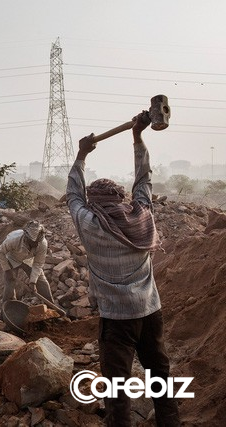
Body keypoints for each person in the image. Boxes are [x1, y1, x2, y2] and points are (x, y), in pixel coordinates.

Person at [66, 111, 180, 426]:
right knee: (161, 376)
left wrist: (81, 155)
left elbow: (74, 195)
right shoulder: (142, 215)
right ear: (121, 198)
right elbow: (144, 180)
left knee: (117, 391)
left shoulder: (90, 223)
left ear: (95, 203)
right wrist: (138, 137)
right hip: (150, 313)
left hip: (116, 321)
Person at [0, 220, 54, 314]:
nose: (35, 244)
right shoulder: (13, 239)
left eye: (37, 242)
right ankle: (6, 314)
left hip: (28, 260)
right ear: (26, 237)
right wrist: (7, 269)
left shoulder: (42, 244)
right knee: (10, 284)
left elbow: (38, 264)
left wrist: (33, 282)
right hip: (12, 258)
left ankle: (52, 310)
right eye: (32, 242)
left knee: (42, 282)